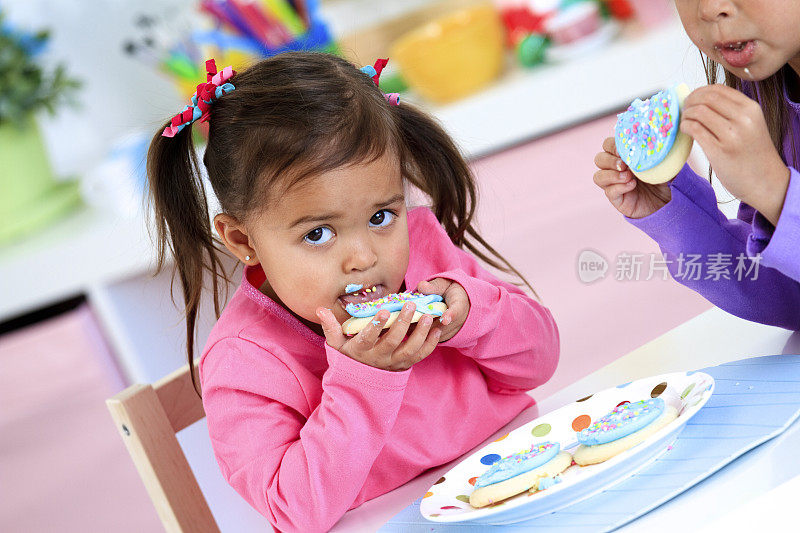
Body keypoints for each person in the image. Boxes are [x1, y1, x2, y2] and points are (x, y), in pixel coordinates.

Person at [146, 53, 559, 531]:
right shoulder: (245, 360)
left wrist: (475, 315)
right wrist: (363, 378)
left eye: (382, 217)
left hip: (526, 478)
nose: (363, 257)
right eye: (318, 234)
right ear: (243, 240)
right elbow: (293, 511)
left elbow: (540, 363)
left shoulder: (426, 250)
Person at [593, 0, 800, 330]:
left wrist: (776, 192)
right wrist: (677, 215)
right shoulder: (763, 93)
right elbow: (791, 296)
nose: (708, 8)